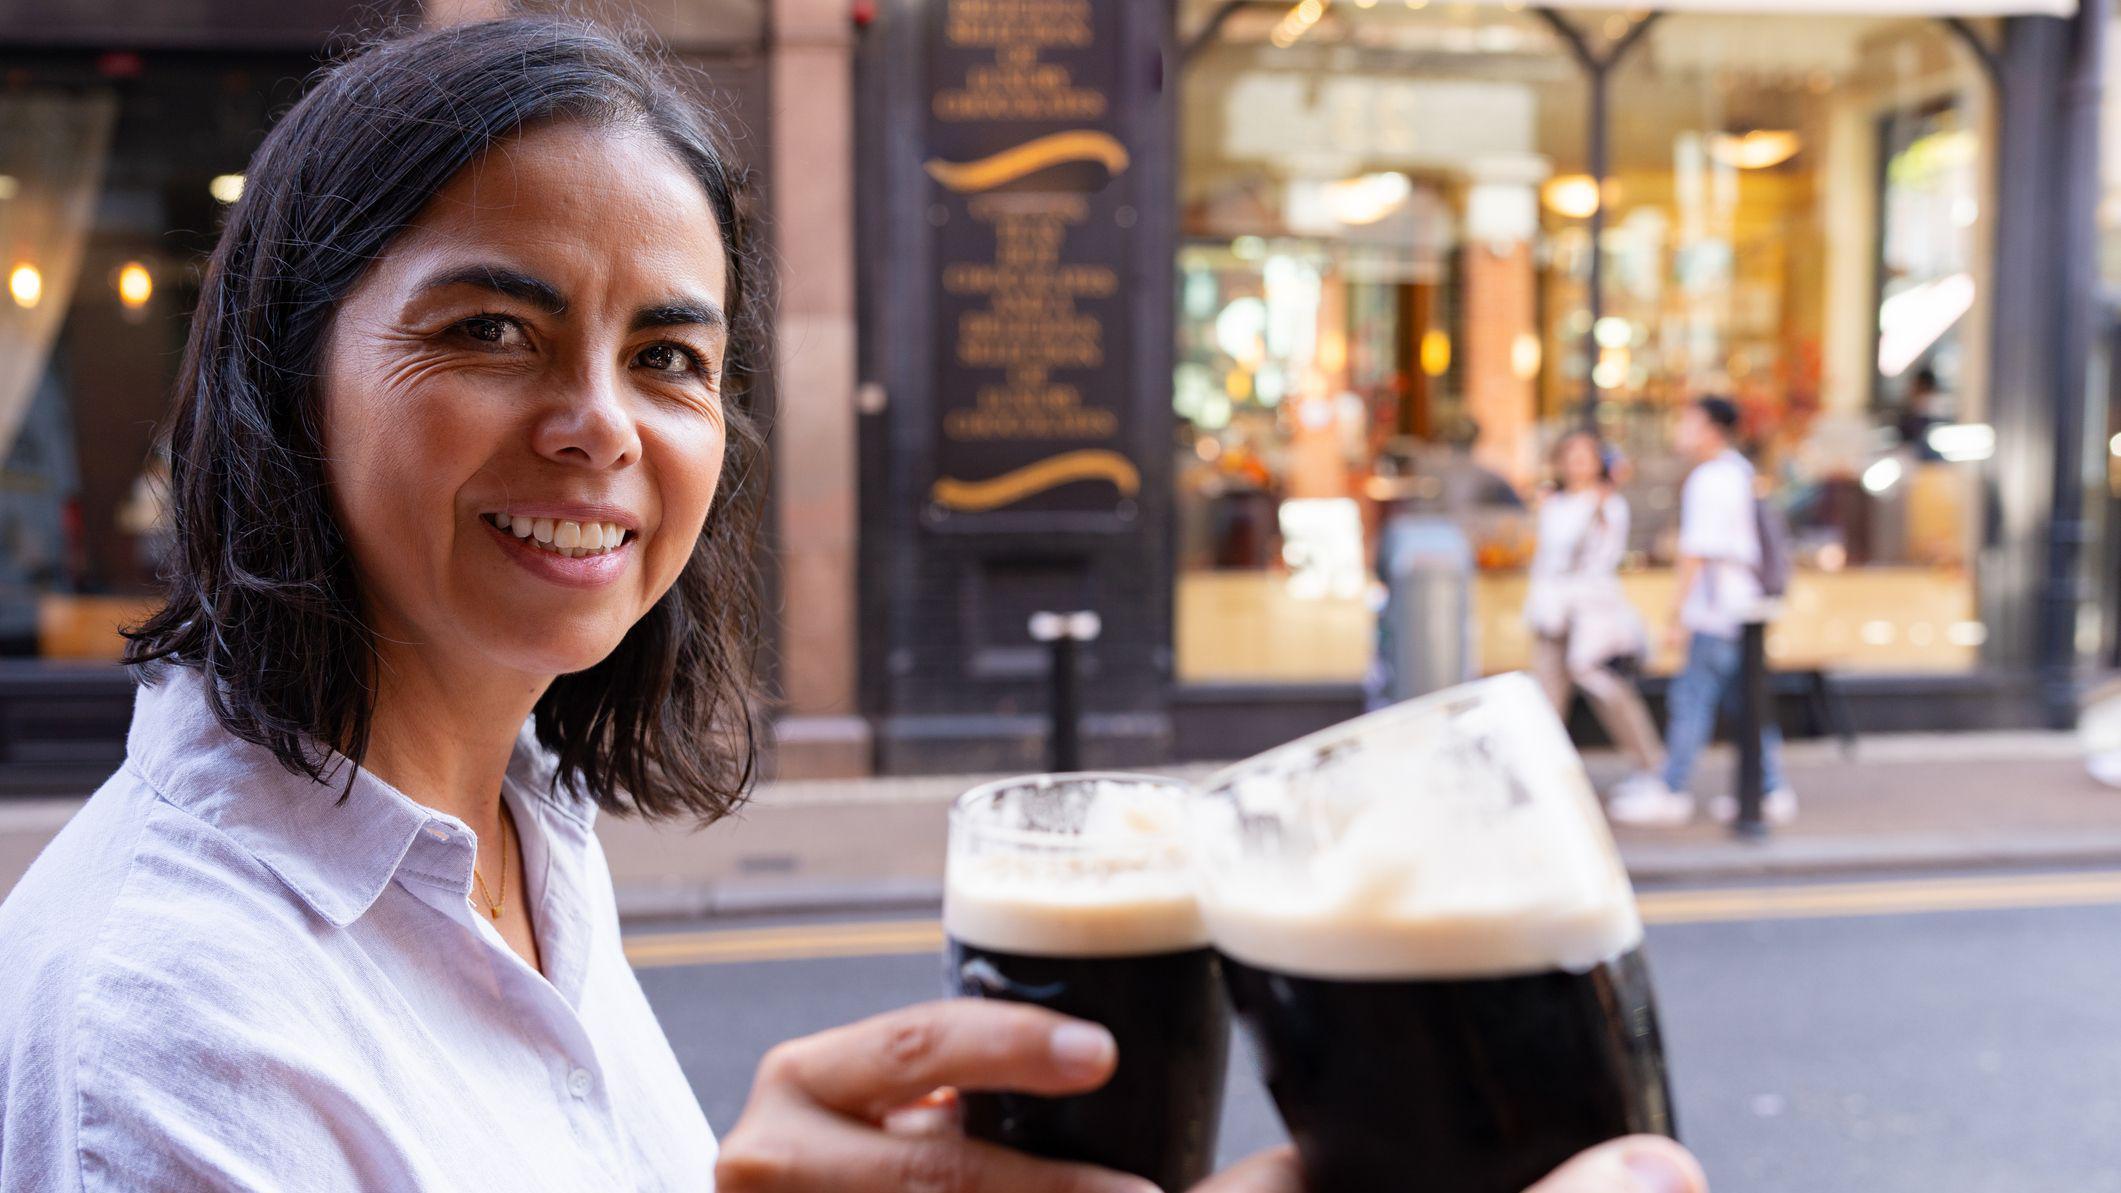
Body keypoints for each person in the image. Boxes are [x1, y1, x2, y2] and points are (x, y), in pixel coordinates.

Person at [0, 17, 1707, 1193]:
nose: (603, 420)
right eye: (490, 329)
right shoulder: (173, 1022)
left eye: (669, 354)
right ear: (281, 380)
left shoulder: (521, 812)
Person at [1640, 396, 1799, 826]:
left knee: (1692, 699)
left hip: (1718, 610)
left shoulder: (1711, 478)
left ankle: (1671, 788)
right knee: (1743, 700)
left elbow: (1697, 552)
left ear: (1711, 429)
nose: (1679, 430)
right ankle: (1768, 789)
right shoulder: (1738, 472)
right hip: (1741, 610)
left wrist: (1675, 616)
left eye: (1687, 422)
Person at [1524, 430, 1674, 822]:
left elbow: (1599, 559)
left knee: (1608, 690)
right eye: (1569, 455)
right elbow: (1545, 559)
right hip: (1551, 613)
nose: (1576, 463)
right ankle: (1544, 777)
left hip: (1592, 615)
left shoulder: (1608, 506)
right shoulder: (1552, 504)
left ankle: (1650, 765)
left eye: (1584, 456)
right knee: (1546, 699)